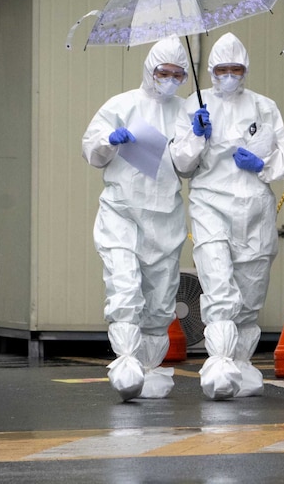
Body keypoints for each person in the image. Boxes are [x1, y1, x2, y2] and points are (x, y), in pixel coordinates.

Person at [170, 32, 284, 400]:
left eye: (235, 69)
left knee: (251, 293)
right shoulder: (194, 106)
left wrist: (263, 164)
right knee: (220, 286)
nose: (229, 75)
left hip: (255, 210)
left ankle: (240, 362)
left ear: (246, 70)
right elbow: (181, 163)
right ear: (210, 71)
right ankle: (220, 359)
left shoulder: (264, 107)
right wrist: (196, 135)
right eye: (222, 69)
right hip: (211, 205)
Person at [81, 37, 190, 401]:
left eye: (178, 74)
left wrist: (200, 137)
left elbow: (189, 166)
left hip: (165, 215)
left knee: (160, 301)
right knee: (125, 287)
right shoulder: (122, 105)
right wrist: (110, 140)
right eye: (163, 72)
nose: (169, 79)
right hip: (122, 210)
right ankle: (126, 361)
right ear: (149, 69)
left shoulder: (186, 110)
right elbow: (92, 150)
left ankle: (149, 367)